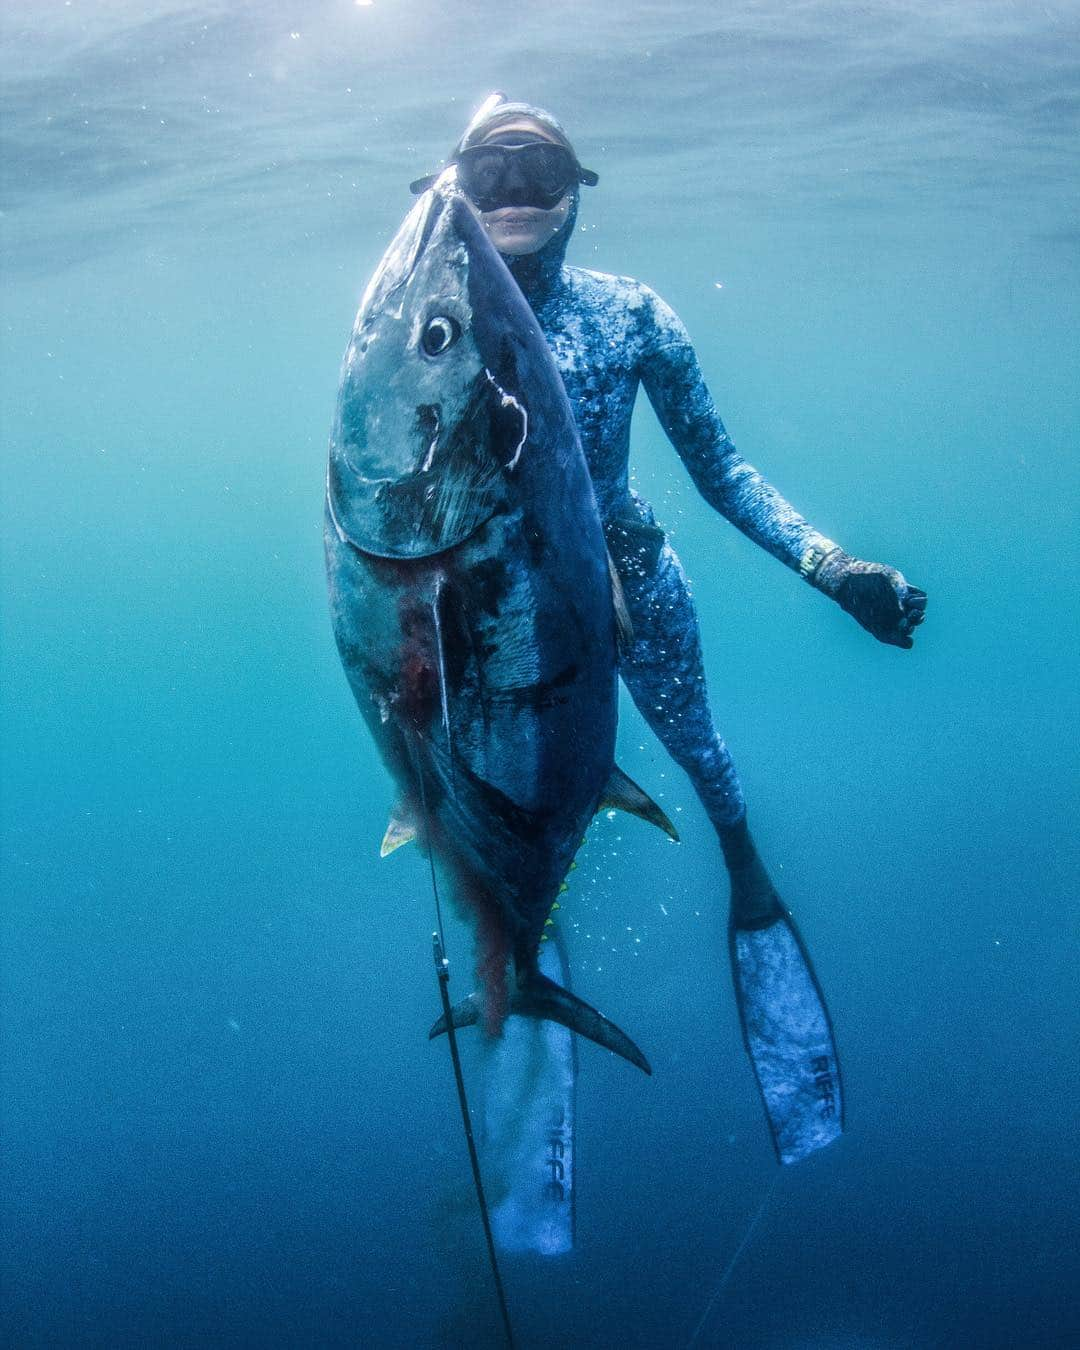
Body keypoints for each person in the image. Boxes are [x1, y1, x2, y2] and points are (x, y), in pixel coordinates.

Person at [411, 96, 927, 1160]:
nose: (515, 190)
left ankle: (747, 881)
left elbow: (721, 468)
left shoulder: (630, 314)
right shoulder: (429, 324)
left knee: (704, 757)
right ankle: (525, 933)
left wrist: (831, 567)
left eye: (539, 166)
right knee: (484, 793)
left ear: (576, 190)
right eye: (489, 168)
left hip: (627, 583)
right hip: (489, 606)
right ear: (455, 184)